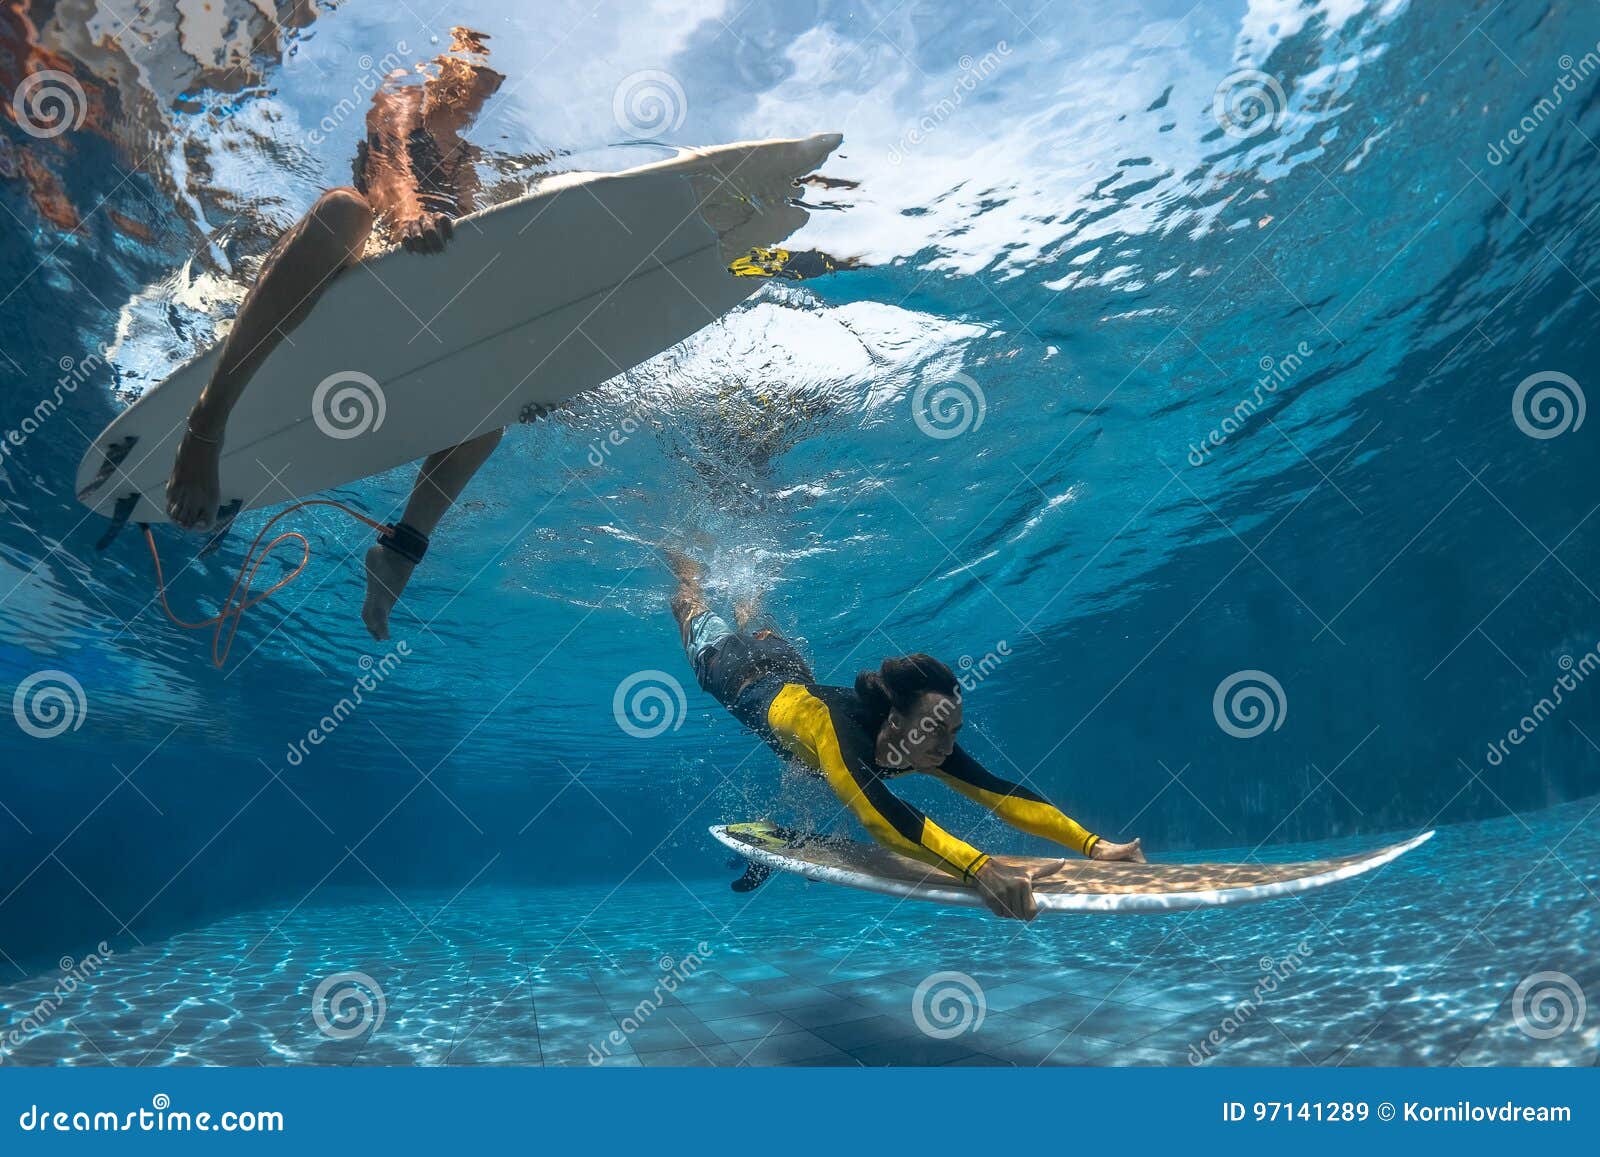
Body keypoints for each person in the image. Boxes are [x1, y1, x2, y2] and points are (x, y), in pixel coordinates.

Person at [161, 29, 506, 642]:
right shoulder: (406, 98)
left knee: (495, 397)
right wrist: (408, 220)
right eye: (483, 81)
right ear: (455, 71)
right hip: (346, 266)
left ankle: (400, 551)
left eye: (493, 89)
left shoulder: (470, 160)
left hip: (405, 312)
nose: (487, 97)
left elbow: (474, 239)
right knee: (345, 207)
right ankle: (206, 422)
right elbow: (387, 163)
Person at [668, 552, 1144, 921]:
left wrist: (1094, 846)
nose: (947, 748)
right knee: (688, 603)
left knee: (802, 755)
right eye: (937, 733)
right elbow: (882, 820)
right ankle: (685, 561)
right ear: (895, 723)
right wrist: (979, 868)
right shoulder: (838, 731)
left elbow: (998, 792)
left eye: (954, 731)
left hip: (789, 667)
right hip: (733, 672)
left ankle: (743, 592)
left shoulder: (925, 737)